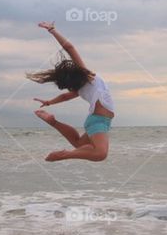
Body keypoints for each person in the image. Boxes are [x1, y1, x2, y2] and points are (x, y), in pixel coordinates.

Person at [27, 21, 114, 162]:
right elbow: (69, 47)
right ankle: (63, 155)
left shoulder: (82, 86)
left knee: (79, 144)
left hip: (99, 121)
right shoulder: (88, 76)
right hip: (98, 120)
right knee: (100, 154)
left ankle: (53, 122)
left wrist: (49, 102)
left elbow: (65, 96)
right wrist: (52, 30)